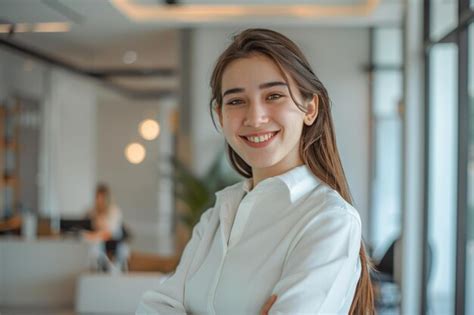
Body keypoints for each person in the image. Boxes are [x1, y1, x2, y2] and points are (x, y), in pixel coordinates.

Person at [137, 28, 374, 314]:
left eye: (273, 96)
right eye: (236, 101)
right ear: (220, 115)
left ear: (310, 108)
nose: (255, 117)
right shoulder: (217, 216)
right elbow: (156, 307)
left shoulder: (329, 220)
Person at [83, 183, 127, 271]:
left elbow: (109, 233)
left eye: (101, 197)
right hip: (97, 242)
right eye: (97, 197)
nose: (99, 200)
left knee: (95, 249)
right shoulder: (92, 211)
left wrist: (93, 236)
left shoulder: (114, 211)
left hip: (112, 245)